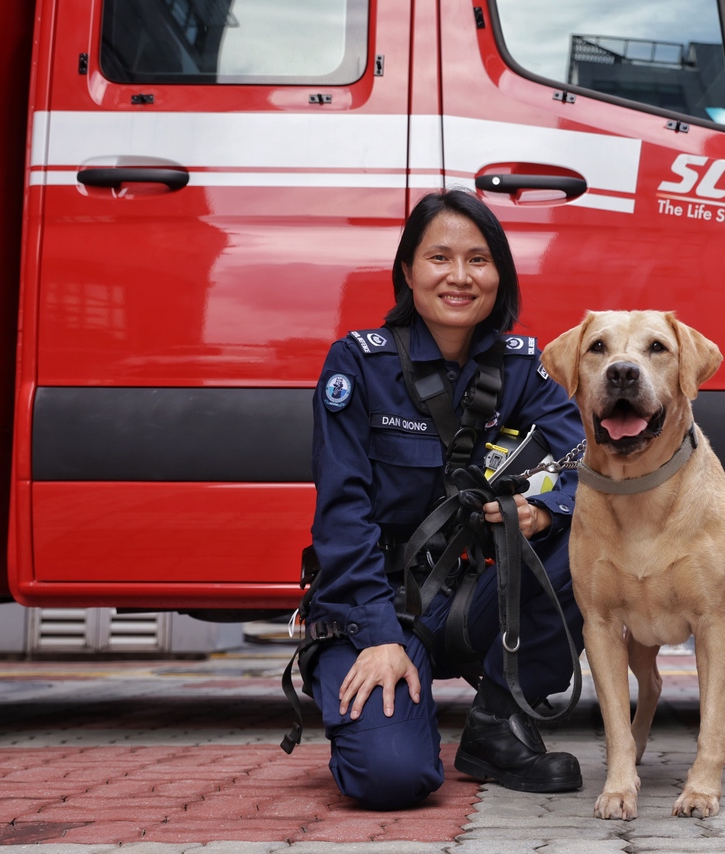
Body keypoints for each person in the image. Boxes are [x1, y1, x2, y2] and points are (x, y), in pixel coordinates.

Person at [304, 189, 586, 810]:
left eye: (479, 260)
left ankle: (497, 726)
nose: (459, 277)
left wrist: (547, 509)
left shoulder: (522, 368)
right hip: (377, 609)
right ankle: (385, 710)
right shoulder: (358, 365)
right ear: (408, 271)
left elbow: (591, 463)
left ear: (500, 276)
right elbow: (342, 517)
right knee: (392, 778)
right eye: (439, 258)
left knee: (591, 538)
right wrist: (377, 636)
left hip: (482, 599)